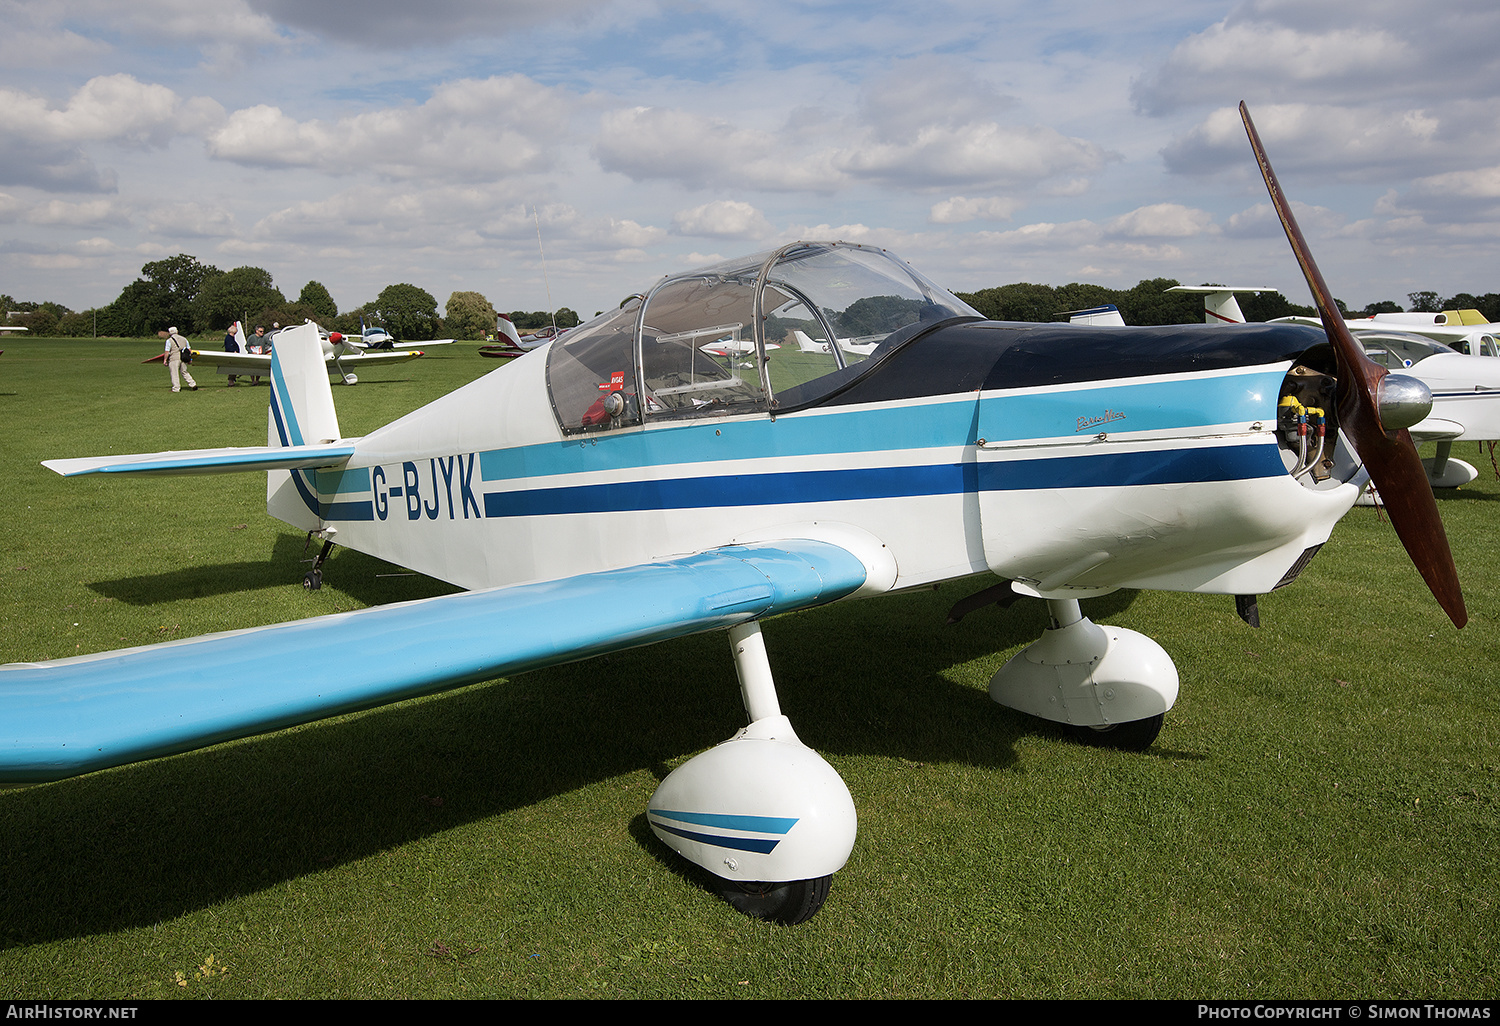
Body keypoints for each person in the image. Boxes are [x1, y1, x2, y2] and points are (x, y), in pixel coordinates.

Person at [164, 327, 198, 392]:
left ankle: (176, 388)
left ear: (170, 333)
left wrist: (165, 360)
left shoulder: (169, 341)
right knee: (184, 372)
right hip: (183, 358)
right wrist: (189, 359)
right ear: (177, 331)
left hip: (174, 358)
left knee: (174, 373)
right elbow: (189, 350)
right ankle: (193, 384)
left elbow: (167, 352)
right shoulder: (184, 339)